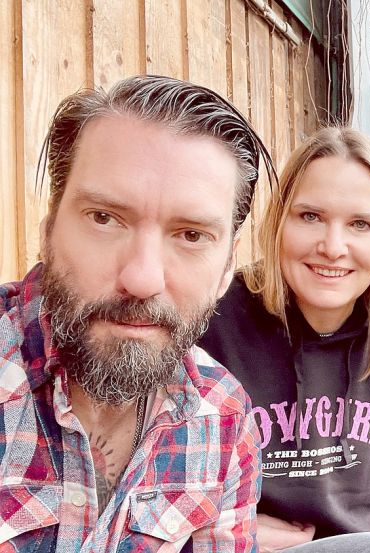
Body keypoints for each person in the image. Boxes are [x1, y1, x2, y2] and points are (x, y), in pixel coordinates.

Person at [0, 75, 272, 551]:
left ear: (228, 266)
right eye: (104, 218)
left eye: (191, 235)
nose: (142, 278)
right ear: (48, 231)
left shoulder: (224, 420)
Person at [198, 127, 370, 553]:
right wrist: (223, 529)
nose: (333, 246)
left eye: (361, 224)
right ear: (279, 221)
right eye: (310, 216)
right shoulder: (212, 324)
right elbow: (156, 475)